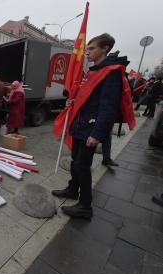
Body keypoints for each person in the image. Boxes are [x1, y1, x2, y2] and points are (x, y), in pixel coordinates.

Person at [52, 33, 135, 219]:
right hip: (80, 125)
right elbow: (87, 98)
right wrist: (71, 102)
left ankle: (85, 205)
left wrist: (97, 134)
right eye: (87, 48)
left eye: (91, 48)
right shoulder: (94, 70)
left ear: (105, 48)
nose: (87, 52)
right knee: (75, 161)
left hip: (90, 128)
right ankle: (73, 189)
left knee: (82, 165)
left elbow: (108, 107)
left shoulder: (111, 72)